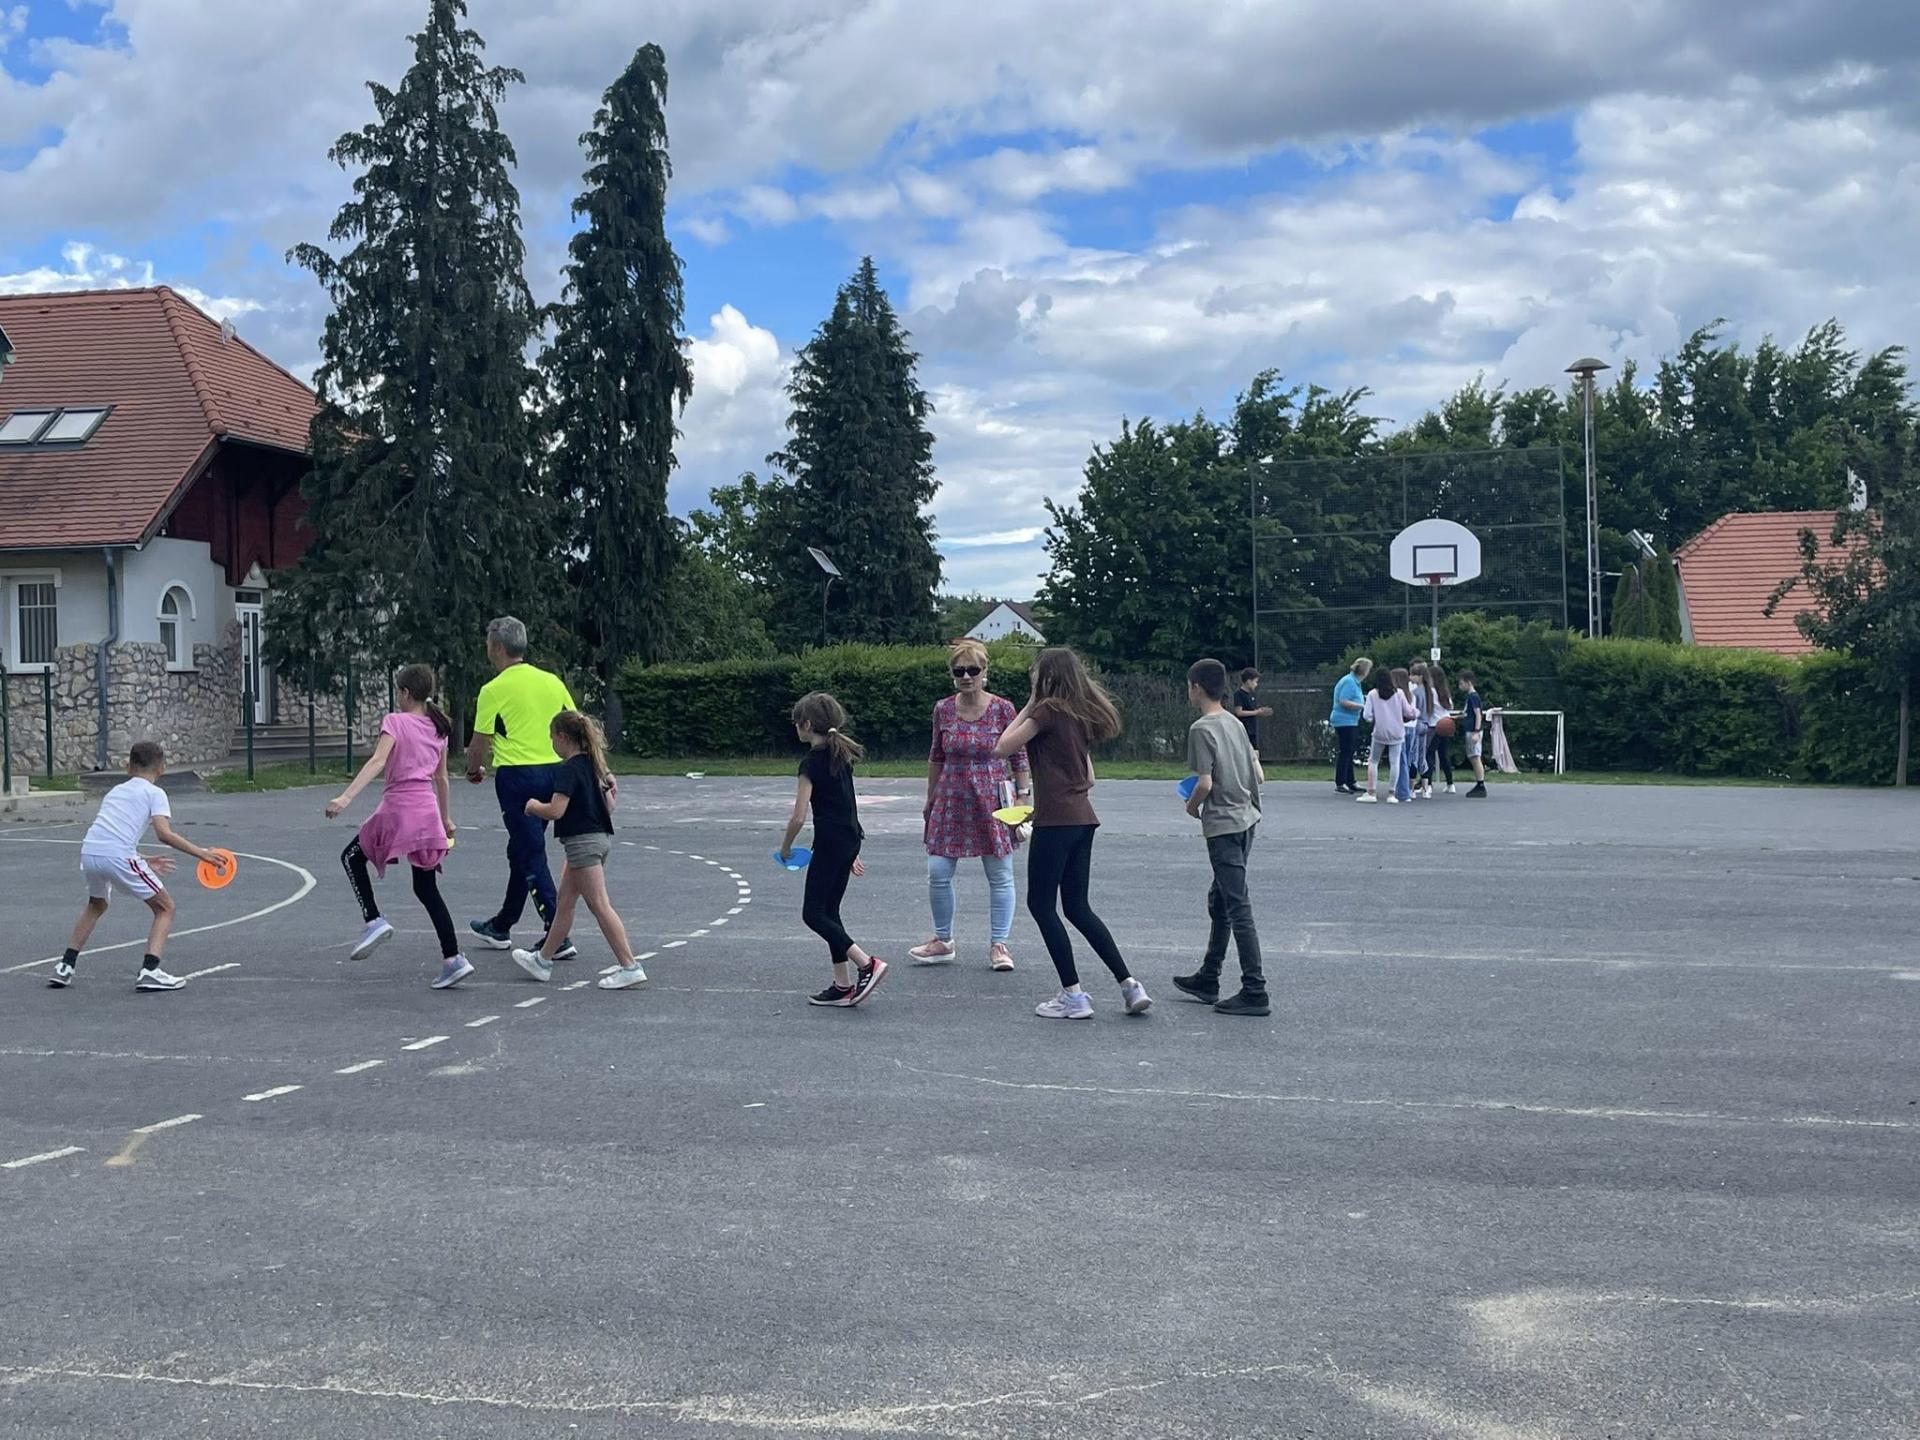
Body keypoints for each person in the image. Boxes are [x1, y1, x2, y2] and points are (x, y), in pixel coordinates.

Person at [993, 647, 1152, 1020]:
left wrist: (1030, 703)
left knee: (1041, 905)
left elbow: (1002, 747)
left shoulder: (1046, 711)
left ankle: (1073, 995)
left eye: (1035, 672)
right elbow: (1089, 777)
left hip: (1057, 822)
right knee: (1078, 907)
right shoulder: (1081, 715)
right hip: (1082, 818)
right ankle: (1130, 985)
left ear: (1045, 676)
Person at [325, 665, 469, 990]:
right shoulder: (438, 728)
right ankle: (453, 958)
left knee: (352, 857)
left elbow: (377, 761)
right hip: (427, 811)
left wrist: (345, 797)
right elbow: (442, 777)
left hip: (399, 809)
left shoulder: (395, 721)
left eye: (398, 691)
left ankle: (373, 919)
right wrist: (445, 818)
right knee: (426, 888)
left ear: (405, 693)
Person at [50, 740, 228, 991]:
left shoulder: (116, 791)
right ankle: (150, 971)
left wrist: (142, 859)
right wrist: (202, 854)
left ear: (128, 766)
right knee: (165, 908)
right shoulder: (155, 794)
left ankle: (65, 966)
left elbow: (110, 834)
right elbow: (164, 834)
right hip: (118, 856)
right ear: (162, 768)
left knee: (96, 905)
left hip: (90, 852)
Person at [911, 639, 1030, 971]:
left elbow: (1019, 756)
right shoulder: (943, 709)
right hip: (950, 796)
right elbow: (936, 755)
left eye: (973, 670)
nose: (966, 676)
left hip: (992, 798)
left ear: (984, 671)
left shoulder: (1003, 708)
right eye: (959, 670)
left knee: (999, 873)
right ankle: (943, 940)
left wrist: (1023, 797)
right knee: (938, 871)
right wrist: (930, 798)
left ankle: (999, 944)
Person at [464, 616, 576, 959]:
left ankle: (556, 934)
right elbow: (576, 725)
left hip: (518, 777)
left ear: (498, 648)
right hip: (555, 772)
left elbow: (479, 741)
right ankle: (503, 924)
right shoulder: (552, 682)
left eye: (488, 644)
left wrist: (473, 769)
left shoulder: (493, 690)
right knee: (521, 849)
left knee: (530, 853)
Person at [511, 711, 647, 991]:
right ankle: (542, 960)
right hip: (596, 840)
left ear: (562, 737)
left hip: (582, 844)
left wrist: (533, 806)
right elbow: (609, 806)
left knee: (599, 905)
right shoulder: (594, 766)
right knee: (565, 903)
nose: (552, 744)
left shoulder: (568, 770)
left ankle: (630, 966)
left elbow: (556, 810)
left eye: (552, 738)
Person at [1174, 659, 1269, 1017]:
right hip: (1246, 820)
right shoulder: (1234, 722)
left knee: (1237, 906)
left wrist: (1191, 807)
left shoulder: (1201, 729)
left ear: (1196, 687)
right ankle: (1208, 975)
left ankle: (1254, 989)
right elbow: (1258, 774)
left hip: (1224, 825)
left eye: (1189, 686)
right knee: (1221, 900)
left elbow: (1204, 783)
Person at [782, 692, 888, 1008]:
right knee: (830, 912)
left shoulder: (810, 763)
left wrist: (786, 847)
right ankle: (842, 985)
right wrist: (850, 849)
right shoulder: (840, 755)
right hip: (847, 839)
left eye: (796, 723)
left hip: (831, 843)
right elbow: (847, 805)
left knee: (813, 913)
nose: (795, 728)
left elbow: (798, 816)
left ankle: (867, 963)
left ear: (806, 724)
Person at [1358, 667, 1410, 804]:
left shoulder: (1372, 694)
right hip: (1397, 732)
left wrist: (1375, 718)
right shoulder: (1399, 693)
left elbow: (1367, 716)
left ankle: (1371, 792)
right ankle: (1392, 794)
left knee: (1373, 761)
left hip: (1380, 732)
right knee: (1395, 762)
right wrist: (1415, 713)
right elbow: (1408, 712)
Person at [1329, 658, 1371, 794]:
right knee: (1346, 751)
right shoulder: (1349, 682)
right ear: (1364, 671)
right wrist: (1362, 706)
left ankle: (1350, 781)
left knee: (1349, 750)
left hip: (1351, 720)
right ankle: (1340, 782)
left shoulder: (1354, 682)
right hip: (1344, 720)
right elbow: (1343, 701)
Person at [1425, 662, 1457, 795]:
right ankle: (1450, 783)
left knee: (1429, 755)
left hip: (1434, 725)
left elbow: (1428, 709)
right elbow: (1451, 706)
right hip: (1447, 723)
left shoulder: (1431, 692)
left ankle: (1428, 784)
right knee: (1444, 755)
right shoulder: (1445, 691)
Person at [1460, 670, 1489, 798]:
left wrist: (1476, 731)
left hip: (1473, 731)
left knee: (1476, 757)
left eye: (1461, 683)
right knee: (1473, 757)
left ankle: (1481, 785)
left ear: (1468, 682)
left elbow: (1478, 714)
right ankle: (1479, 783)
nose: (1460, 686)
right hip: (1470, 730)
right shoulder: (1470, 697)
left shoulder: (1474, 696)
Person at [1390, 667, 1417, 803]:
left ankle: (1403, 791)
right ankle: (1405, 788)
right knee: (1407, 759)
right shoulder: (1411, 694)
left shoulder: (1397, 695)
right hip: (1411, 728)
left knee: (1400, 760)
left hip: (1400, 727)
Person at [1230, 667, 1272, 752]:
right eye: (1255, 682)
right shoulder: (1239, 694)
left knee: (1255, 752)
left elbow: (1252, 710)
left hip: (1253, 729)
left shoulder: (1251, 695)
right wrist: (1256, 712)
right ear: (1249, 681)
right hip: (1244, 729)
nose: (1256, 684)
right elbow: (1239, 712)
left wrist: (1261, 711)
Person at [1406, 661, 1430, 801]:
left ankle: (1411, 788)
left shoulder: (1415, 693)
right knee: (1422, 756)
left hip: (1417, 723)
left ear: (1420, 676)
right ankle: (1426, 788)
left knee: (1413, 757)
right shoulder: (1429, 691)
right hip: (1426, 724)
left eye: (1413, 675)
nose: (1410, 677)